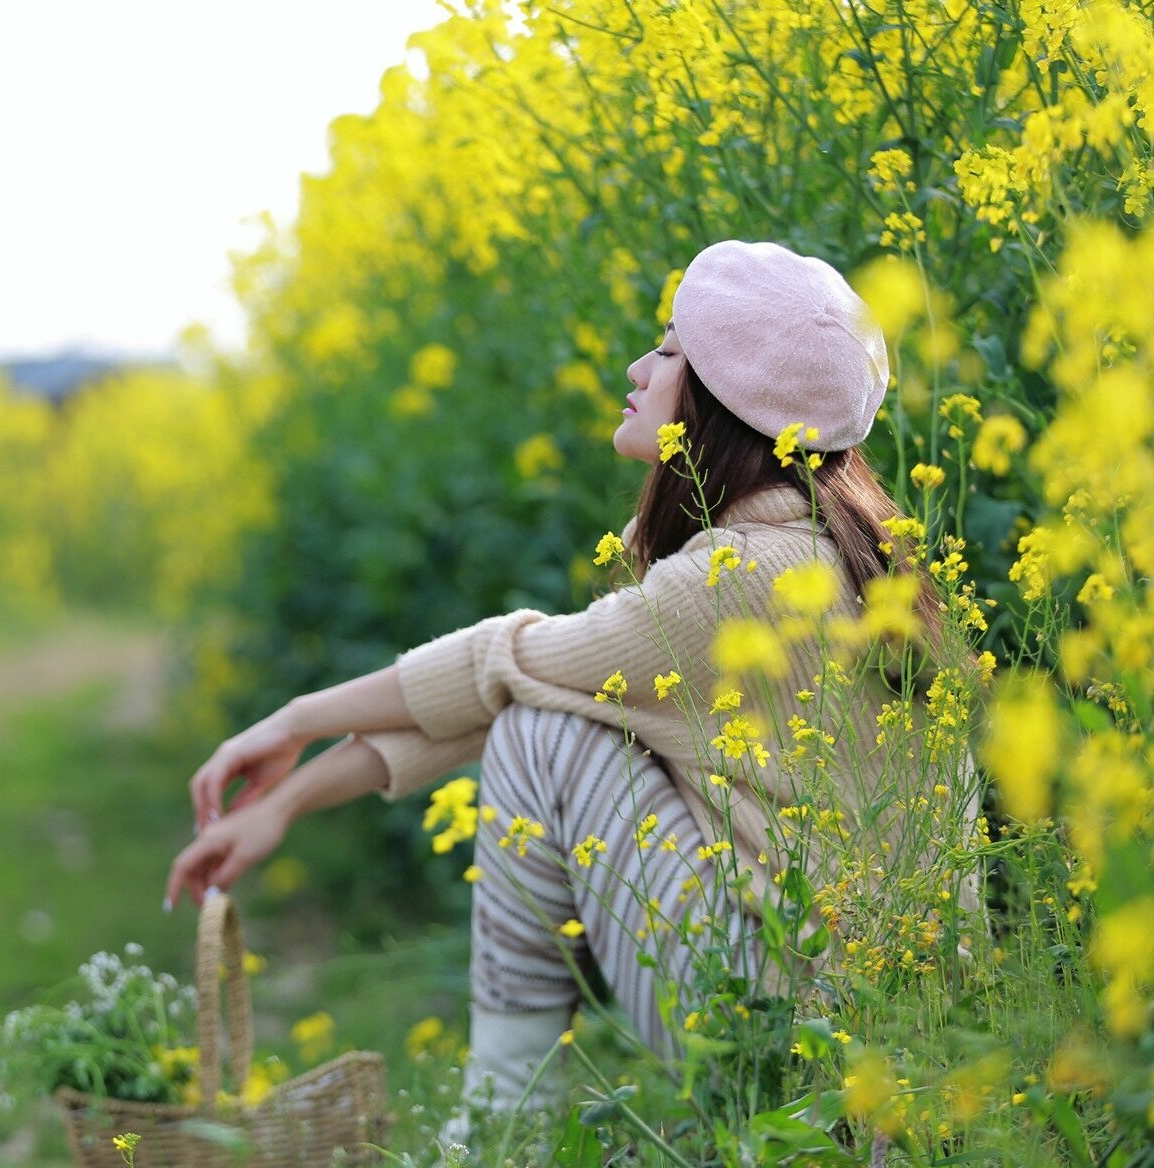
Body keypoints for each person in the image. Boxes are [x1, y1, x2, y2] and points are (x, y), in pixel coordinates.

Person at [162, 239, 982, 1144]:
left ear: (724, 400)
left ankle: (502, 1131)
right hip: (885, 1050)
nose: (640, 367)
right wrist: (290, 799)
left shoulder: (745, 578)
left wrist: (293, 722)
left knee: (537, 741)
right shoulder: (843, 554)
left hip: (790, 1048)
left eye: (670, 351)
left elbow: (507, 670)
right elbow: (539, 683)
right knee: (549, 721)